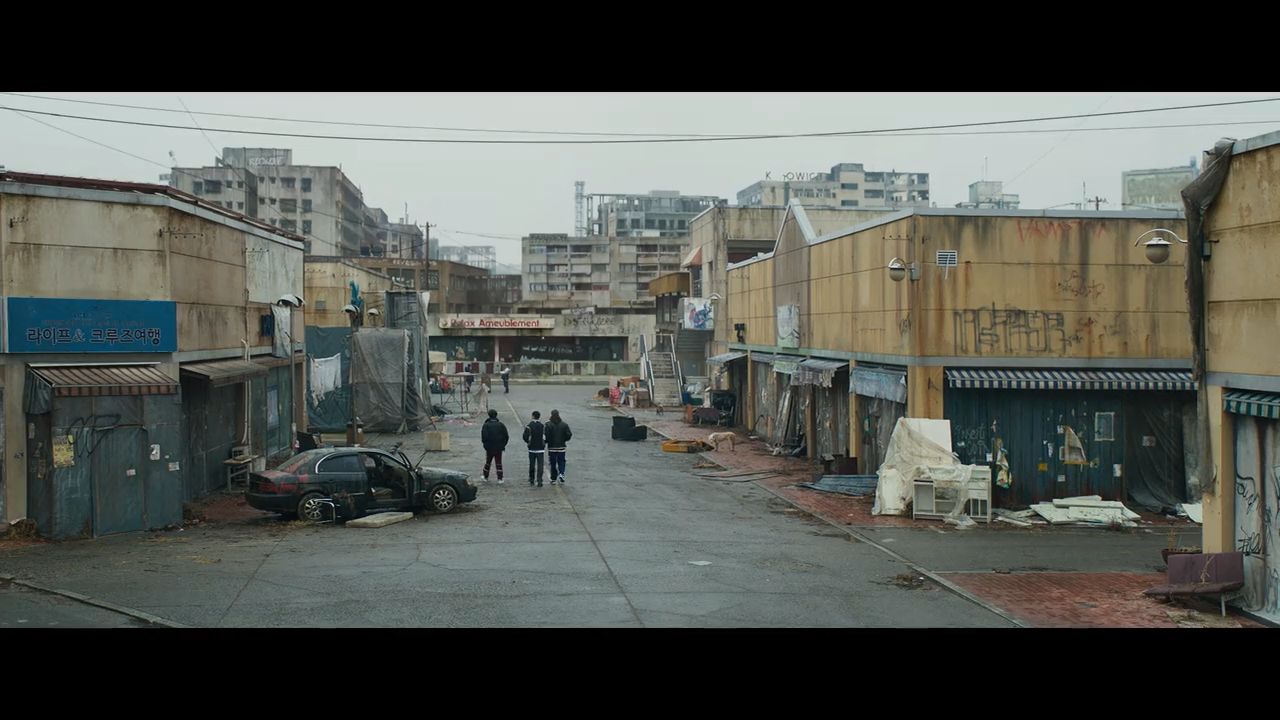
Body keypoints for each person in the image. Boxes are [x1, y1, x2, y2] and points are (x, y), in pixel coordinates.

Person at [480, 408, 508, 484]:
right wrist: (503, 445)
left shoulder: (486, 425)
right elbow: (506, 436)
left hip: (489, 447)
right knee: (498, 462)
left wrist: (485, 445)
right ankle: (500, 478)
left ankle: (485, 476)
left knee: (488, 462)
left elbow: (484, 437)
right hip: (499, 447)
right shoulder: (501, 425)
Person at [544, 409, 572, 485]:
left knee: (553, 463)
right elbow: (569, 434)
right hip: (561, 447)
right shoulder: (564, 424)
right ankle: (561, 474)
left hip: (552, 447)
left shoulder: (548, 424)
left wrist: (547, 441)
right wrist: (564, 440)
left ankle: (553, 478)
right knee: (561, 461)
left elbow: (546, 435)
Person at [522, 410, 546, 487]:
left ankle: (531, 479)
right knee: (540, 465)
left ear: (532, 416)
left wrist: (528, 442)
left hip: (532, 448)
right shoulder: (543, 426)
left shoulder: (529, 426)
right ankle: (539, 480)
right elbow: (546, 436)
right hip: (540, 448)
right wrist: (544, 443)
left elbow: (525, 437)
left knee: (532, 464)